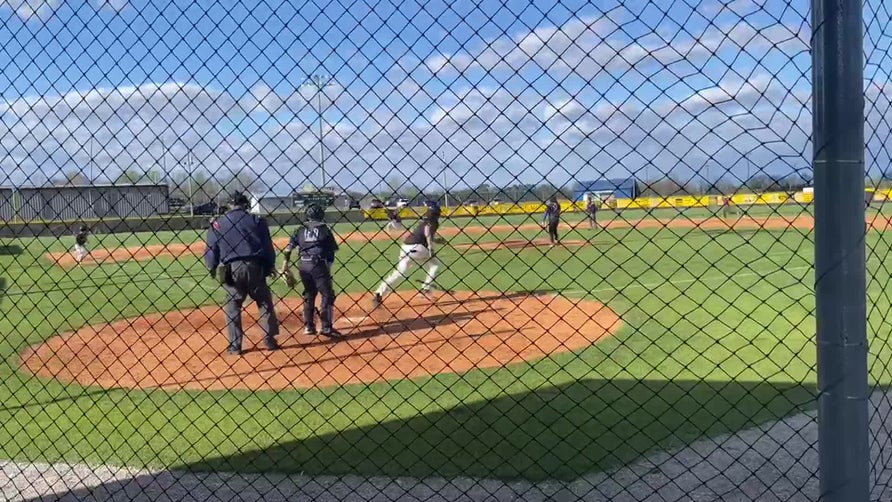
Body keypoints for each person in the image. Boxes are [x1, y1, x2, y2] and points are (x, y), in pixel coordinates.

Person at [204, 192, 279, 355]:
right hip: (255, 266)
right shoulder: (257, 220)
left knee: (232, 306)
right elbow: (267, 246)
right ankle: (269, 339)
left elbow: (211, 249)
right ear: (245, 205)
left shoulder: (218, 223)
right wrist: (270, 266)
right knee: (264, 302)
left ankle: (235, 346)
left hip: (232, 269)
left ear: (229, 205)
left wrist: (212, 267)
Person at [282, 203, 341, 338]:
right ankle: (326, 327)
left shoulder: (299, 229)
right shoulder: (324, 229)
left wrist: (285, 265)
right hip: (318, 264)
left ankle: (309, 326)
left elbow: (288, 249)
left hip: (303, 265)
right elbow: (332, 251)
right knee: (327, 294)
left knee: (309, 293)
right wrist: (327, 267)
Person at [372, 201, 441, 308]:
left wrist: (436, 240)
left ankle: (379, 293)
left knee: (399, 273)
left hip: (406, 247)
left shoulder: (424, 221)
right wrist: (431, 247)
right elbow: (427, 232)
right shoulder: (433, 221)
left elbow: (425, 234)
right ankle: (426, 289)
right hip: (419, 249)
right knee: (435, 265)